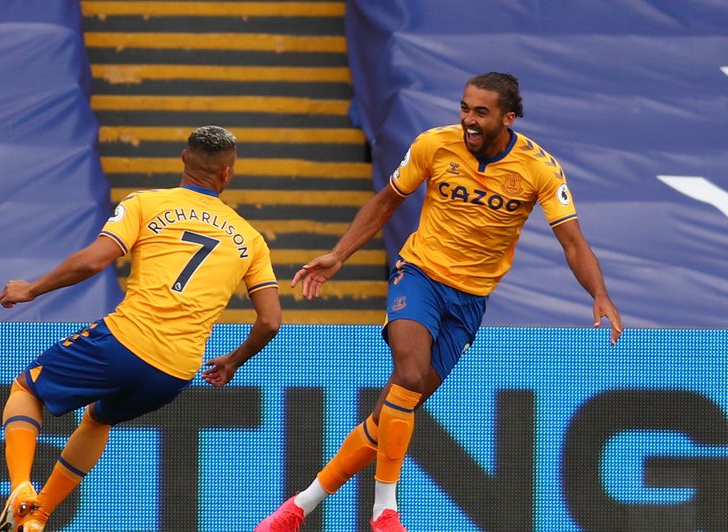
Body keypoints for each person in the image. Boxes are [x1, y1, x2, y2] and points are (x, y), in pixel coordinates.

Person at [255, 72, 622, 532]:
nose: (468, 119)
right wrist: (338, 254)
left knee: (390, 412)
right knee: (408, 375)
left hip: (469, 303)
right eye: (465, 107)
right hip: (420, 275)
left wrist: (600, 295)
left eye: (481, 112)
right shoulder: (434, 145)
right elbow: (387, 201)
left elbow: (572, 242)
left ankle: (298, 509)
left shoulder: (539, 169)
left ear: (508, 118)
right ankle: (384, 512)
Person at [0, 126, 281, 532]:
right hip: (176, 370)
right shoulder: (251, 240)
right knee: (97, 420)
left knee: (27, 389)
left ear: (183, 158)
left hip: (126, 338)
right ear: (227, 174)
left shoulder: (147, 204)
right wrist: (233, 362)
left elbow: (95, 261)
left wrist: (32, 288)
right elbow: (270, 321)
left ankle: (22, 488)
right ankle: (39, 517)